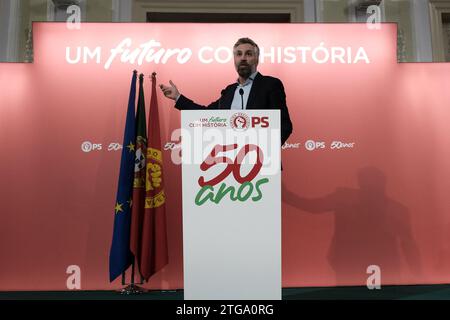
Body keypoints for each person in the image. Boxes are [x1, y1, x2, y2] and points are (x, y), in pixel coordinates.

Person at [159, 37, 293, 146]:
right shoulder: (229, 92)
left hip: (262, 164)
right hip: (229, 165)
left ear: (257, 59)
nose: (243, 58)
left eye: (249, 54)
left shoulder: (270, 85)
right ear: (234, 59)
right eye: (239, 54)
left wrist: (268, 150)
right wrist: (178, 97)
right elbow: (206, 114)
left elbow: (284, 125)